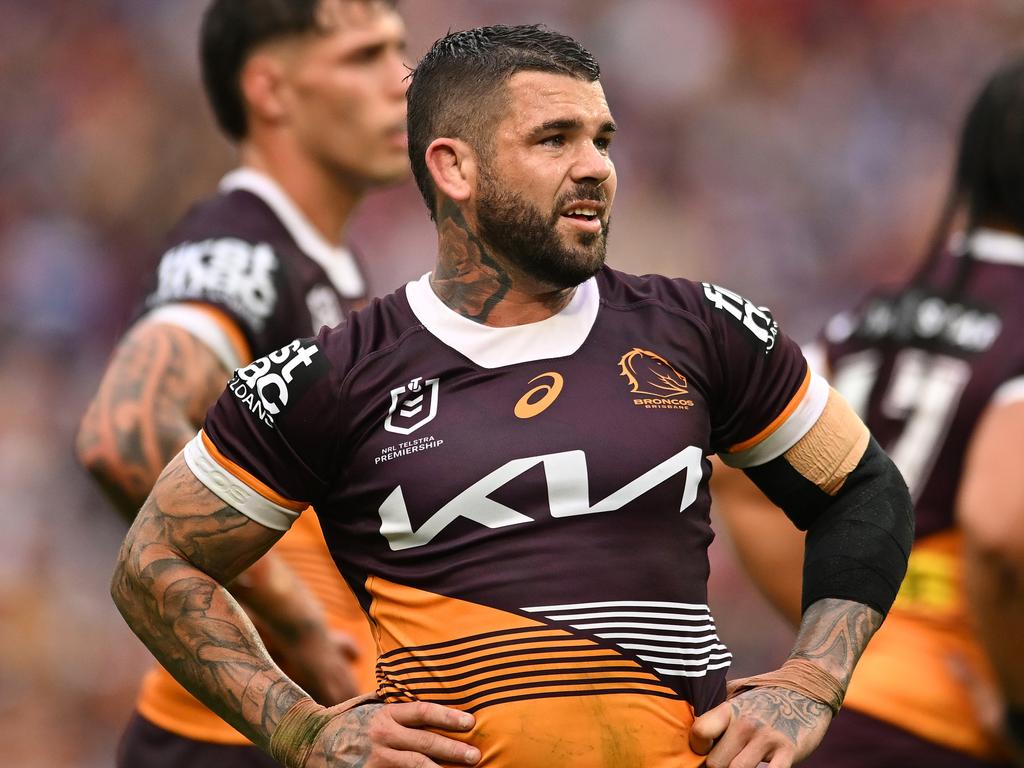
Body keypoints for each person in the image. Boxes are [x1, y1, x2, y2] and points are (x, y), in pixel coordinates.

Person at [109, 24, 914, 768]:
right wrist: (300, 728)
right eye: (554, 139)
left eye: (602, 139)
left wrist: (810, 680)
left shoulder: (702, 328)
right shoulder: (335, 374)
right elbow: (155, 561)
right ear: (454, 167)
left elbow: (862, 489)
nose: (596, 165)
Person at [76, 1, 409, 766]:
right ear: (271, 91)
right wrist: (294, 627)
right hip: (230, 740)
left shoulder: (324, 265)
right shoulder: (242, 249)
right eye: (363, 57)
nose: (401, 81)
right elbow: (122, 434)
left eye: (400, 49)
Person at [713, 56, 1024, 768]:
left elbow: (735, 472)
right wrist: (1016, 705)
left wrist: (843, 638)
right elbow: (1004, 530)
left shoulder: (870, 318)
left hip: (838, 711)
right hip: (952, 725)